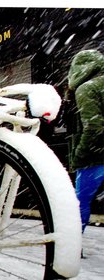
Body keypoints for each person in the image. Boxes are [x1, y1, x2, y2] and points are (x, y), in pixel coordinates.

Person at [66, 49, 104, 234]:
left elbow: (93, 126)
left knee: (79, 203)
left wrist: (80, 154)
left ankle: (72, 245)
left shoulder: (86, 88)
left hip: (95, 158)